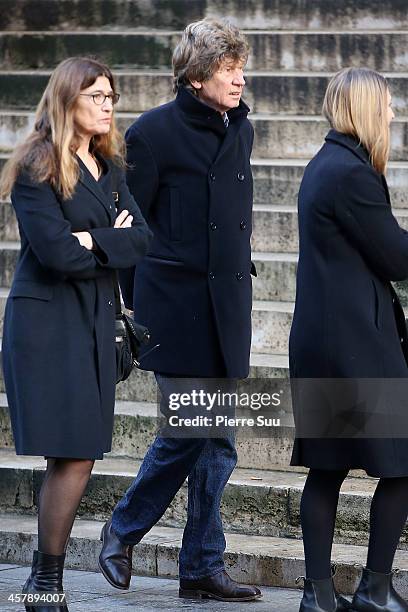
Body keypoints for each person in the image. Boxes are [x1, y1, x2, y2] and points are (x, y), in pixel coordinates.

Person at [98, 19, 261, 603]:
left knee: (219, 443)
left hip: (227, 310)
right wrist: (131, 308)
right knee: (189, 431)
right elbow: (128, 228)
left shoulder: (240, 131)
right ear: (196, 77)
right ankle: (121, 530)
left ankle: (201, 567)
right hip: (173, 309)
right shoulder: (151, 134)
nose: (239, 78)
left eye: (240, 66)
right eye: (227, 68)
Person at [0, 56, 152, 612]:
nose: (108, 105)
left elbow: (145, 239)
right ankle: (44, 583)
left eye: (111, 95)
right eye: (96, 96)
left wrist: (93, 240)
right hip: (46, 325)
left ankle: (45, 582)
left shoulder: (109, 165)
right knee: (74, 453)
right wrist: (103, 238)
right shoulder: (38, 166)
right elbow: (58, 254)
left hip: (92, 320)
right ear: (67, 101)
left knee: (77, 452)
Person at [289, 66, 408, 612]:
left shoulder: (326, 164)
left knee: (328, 467)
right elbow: (396, 258)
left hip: (326, 341)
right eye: (386, 104)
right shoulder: (353, 175)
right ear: (364, 109)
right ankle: (375, 589)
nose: (393, 113)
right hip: (357, 346)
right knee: (403, 464)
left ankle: (318, 594)